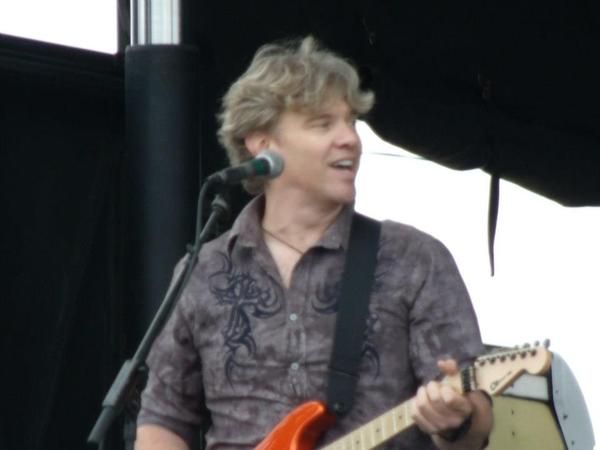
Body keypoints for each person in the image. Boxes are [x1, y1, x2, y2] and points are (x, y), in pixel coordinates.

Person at [135, 36, 493, 450]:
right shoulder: (203, 272)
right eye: (323, 124)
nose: (350, 139)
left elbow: (477, 424)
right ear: (262, 144)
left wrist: (457, 421)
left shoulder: (414, 259)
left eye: (351, 122)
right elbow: (164, 417)